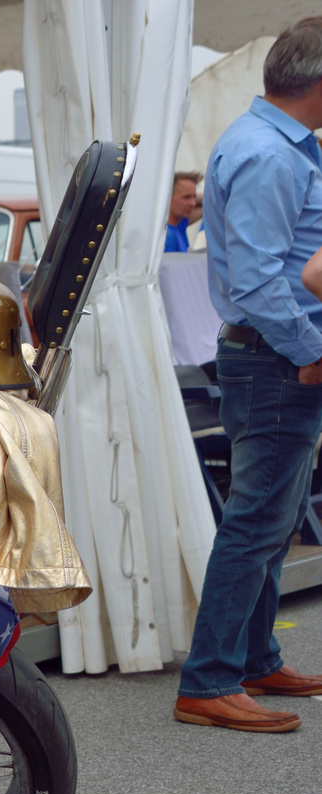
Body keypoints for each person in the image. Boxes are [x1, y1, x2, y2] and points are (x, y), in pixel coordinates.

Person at [175, 18, 322, 734]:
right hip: (276, 358)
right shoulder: (272, 154)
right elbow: (265, 283)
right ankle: (209, 681)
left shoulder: (266, 141)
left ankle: (255, 658)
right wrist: (308, 350)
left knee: (273, 517)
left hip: (267, 355)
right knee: (256, 520)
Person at [164, 171, 202, 252]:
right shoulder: (167, 236)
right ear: (168, 197)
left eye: (194, 197)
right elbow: (210, 201)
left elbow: (208, 202)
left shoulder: (179, 224)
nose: (193, 203)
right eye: (186, 197)